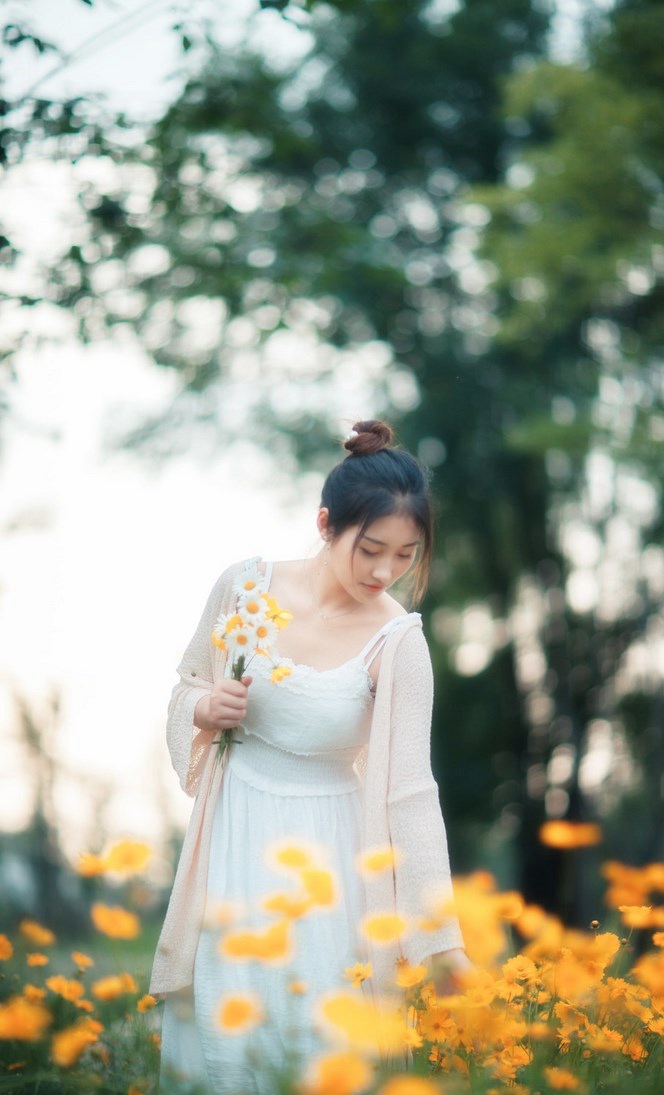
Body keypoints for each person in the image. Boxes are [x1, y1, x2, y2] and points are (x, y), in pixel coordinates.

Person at [151, 419, 466, 1094]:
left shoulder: (398, 640)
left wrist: (444, 941)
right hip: (235, 832)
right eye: (371, 548)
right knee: (226, 1020)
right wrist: (208, 709)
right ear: (326, 524)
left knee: (320, 1031)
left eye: (406, 555)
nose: (385, 571)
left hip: (331, 855)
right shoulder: (245, 587)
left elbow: (411, 793)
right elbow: (187, 685)